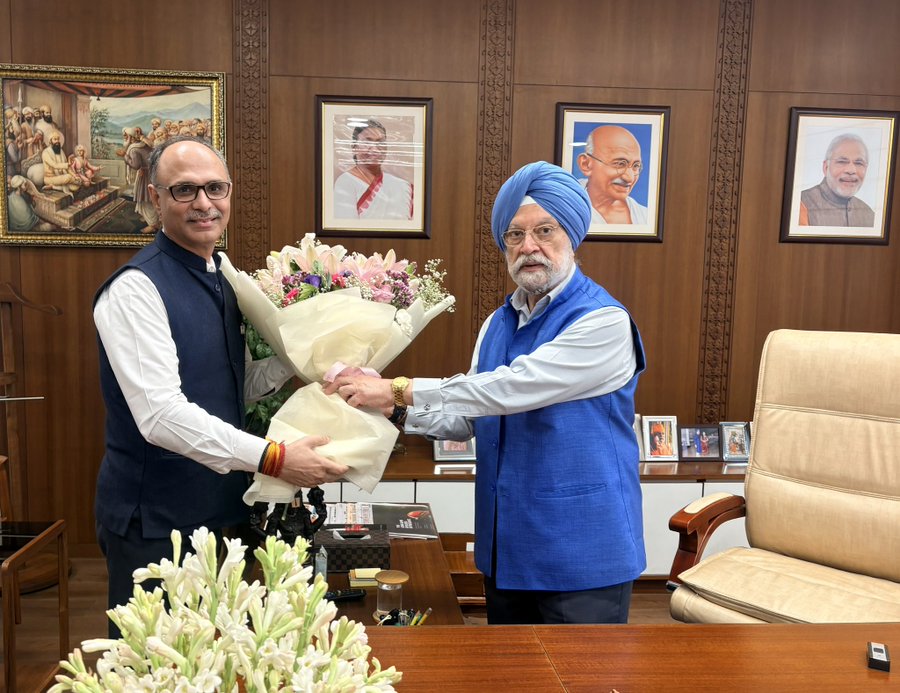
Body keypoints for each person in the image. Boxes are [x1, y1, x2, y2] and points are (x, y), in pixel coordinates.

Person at [326, 161, 646, 625]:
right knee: (510, 678)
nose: (528, 246)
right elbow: (466, 418)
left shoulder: (604, 321)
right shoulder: (498, 322)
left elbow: (512, 388)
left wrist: (397, 389)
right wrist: (387, 407)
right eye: (514, 235)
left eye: (544, 230)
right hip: (508, 546)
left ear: (572, 236)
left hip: (581, 549)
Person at [93, 136, 348, 636]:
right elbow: (162, 415)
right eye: (184, 190)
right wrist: (274, 457)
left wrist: (304, 357)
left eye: (215, 188)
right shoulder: (135, 289)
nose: (204, 203)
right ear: (155, 197)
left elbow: (228, 386)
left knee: (214, 663)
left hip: (216, 512)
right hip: (156, 523)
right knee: (160, 669)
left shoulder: (220, 276)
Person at [333, 118, 413, 220]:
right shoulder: (346, 182)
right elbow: (345, 229)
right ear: (354, 148)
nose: (374, 149)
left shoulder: (402, 186)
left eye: (380, 143)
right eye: (367, 142)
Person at [576, 125, 648, 225]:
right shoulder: (566, 205)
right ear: (586, 164)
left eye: (636, 166)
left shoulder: (645, 216)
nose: (629, 178)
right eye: (620, 164)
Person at [799, 133, 875, 227]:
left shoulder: (869, 214)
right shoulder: (800, 205)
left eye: (859, 163)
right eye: (842, 162)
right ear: (826, 167)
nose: (851, 170)